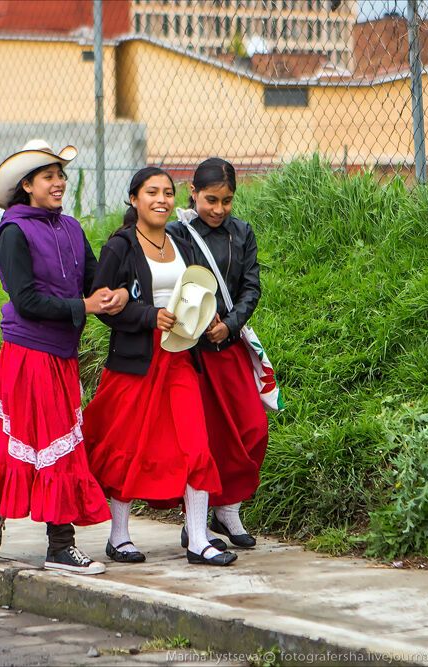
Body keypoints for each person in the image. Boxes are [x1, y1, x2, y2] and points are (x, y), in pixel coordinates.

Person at [0, 139, 128, 575]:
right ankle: (59, 544)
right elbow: (26, 300)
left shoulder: (70, 227)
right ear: (27, 185)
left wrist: (111, 295)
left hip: (62, 353)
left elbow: (91, 279)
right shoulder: (13, 231)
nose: (59, 183)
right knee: (56, 446)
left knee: (41, 444)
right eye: (49, 177)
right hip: (28, 352)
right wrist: (83, 308)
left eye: (61, 176)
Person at [82, 167, 237, 567]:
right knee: (128, 445)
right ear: (134, 199)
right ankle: (118, 537)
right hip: (136, 359)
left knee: (194, 444)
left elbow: (196, 291)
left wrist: (208, 318)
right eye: (152, 192)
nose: (162, 200)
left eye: (168, 192)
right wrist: (147, 316)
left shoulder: (179, 240)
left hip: (180, 355)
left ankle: (199, 539)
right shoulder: (120, 245)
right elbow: (102, 303)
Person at [168, 158, 267, 548]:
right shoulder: (176, 234)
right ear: (192, 193)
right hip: (190, 353)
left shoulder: (242, 232)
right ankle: (198, 521)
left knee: (252, 429)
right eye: (211, 199)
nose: (219, 209)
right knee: (204, 438)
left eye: (227, 200)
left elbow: (251, 287)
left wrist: (231, 324)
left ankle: (229, 509)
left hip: (229, 347)